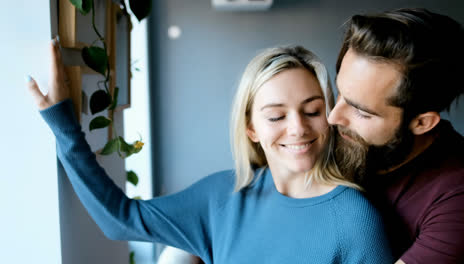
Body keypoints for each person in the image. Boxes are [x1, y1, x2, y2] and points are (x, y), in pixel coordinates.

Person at [27, 42, 393, 263]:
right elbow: (119, 219)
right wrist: (63, 124)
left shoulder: (354, 219)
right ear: (251, 128)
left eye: (312, 111)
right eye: (276, 115)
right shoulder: (222, 198)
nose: (298, 127)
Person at [328, 8, 464, 264]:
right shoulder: (340, 136)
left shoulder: (458, 200)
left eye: (360, 111)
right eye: (340, 93)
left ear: (422, 123)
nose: (333, 118)